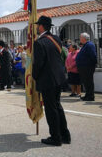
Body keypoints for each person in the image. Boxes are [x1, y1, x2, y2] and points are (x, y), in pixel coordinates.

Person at [32, 16, 70, 146]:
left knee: (51, 109)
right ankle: (65, 135)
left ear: (41, 26)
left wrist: (34, 77)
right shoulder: (56, 39)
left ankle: (55, 137)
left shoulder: (39, 42)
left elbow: (38, 64)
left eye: (38, 25)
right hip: (59, 77)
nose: (36, 27)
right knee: (58, 106)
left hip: (47, 80)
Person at [76, 33, 97, 101]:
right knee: (86, 82)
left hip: (87, 67)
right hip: (83, 67)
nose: (80, 39)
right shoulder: (85, 45)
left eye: (80, 37)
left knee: (89, 82)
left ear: (84, 38)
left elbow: (93, 56)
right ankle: (87, 95)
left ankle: (90, 96)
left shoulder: (90, 45)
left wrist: (91, 66)